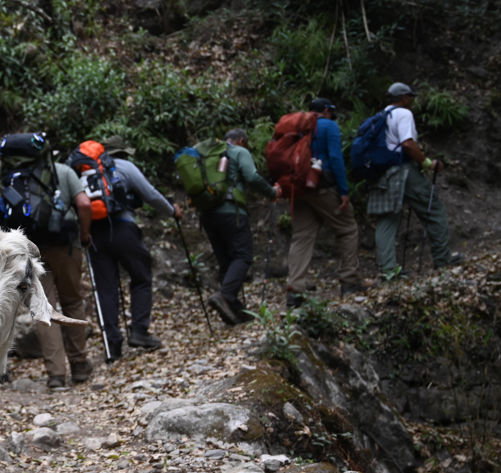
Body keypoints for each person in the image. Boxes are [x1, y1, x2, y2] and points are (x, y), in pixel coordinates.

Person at [84, 135, 183, 360]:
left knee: (106, 288)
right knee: (140, 276)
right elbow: (150, 195)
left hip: (94, 234)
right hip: (122, 228)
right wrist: (171, 211)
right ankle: (139, 331)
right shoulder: (125, 166)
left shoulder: (86, 171)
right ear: (120, 153)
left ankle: (113, 345)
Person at [367, 83, 462, 279]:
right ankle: (443, 260)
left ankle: (389, 272)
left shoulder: (381, 116)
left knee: (387, 219)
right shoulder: (403, 113)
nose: (413, 100)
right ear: (403, 97)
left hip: (383, 173)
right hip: (404, 171)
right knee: (433, 209)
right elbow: (408, 143)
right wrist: (428, 163)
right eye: (411, 96)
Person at [286, 98, 366, 305]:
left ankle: (295, 290)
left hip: (299, 188)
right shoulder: (328, 125)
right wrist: (344, 191)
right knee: (347, 228)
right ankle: (349, 281)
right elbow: (336, 158)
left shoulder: (296, 126)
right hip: (323, 185)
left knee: (301, 237)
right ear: (327, 111)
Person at [198, 128, 278, 325]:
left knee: (226, 261)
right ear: (241, 140)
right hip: (231, 212)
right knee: (242, 256)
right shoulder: (239, 151)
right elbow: (251, 176)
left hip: (207, 214)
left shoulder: (206, 153)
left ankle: (234, 309)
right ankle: (225, 296)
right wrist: (272, 192)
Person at [30, 160, 95, 388]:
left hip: (33, 249)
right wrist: (84, 234)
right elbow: (84, 204)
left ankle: (56, 374)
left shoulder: (20, 173)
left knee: (43, 307)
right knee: (72, 301)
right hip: (66, 244)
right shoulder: (65, 171)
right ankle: (79, 365)